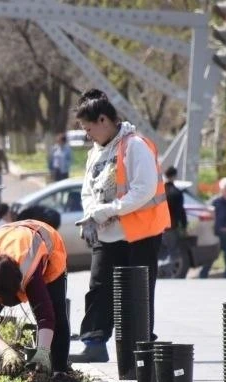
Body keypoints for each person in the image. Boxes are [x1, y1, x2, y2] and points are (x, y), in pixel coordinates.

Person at [69, 89, 170, 363]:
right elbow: (87, 191)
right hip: (107, 234)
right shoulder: (96, 153)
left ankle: (141, 350)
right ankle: (94, 343)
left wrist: (106, 211)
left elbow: (143, 190)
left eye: (89, 128)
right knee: (99, 287)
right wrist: (92, 214)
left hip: (140, 235)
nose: (88, 135)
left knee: (138, 294)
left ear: (104, 120)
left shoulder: (135, 145)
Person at [0, 219, 70, 377]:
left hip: (48, 244)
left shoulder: (30, 272)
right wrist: (6, 351)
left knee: (56, 309)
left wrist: (42, 351)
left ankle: (60, 371)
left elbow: (45, 315)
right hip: (6, 237)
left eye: (0, 298)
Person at [199, 177, 226, 279]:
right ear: (222, 190)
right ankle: (202, 275)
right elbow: (208, 214)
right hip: (217, 233)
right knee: (211, 257)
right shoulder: (215, 201)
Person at [161, 165, 188, 273]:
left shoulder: (159, 191)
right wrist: (184, 226)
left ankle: (162, 271)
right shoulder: (176, 192)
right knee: (172, 250)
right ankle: (169, 272)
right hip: (171, 226)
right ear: (174, 176)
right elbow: (181, 211)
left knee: (161, 251)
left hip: (158, 226)